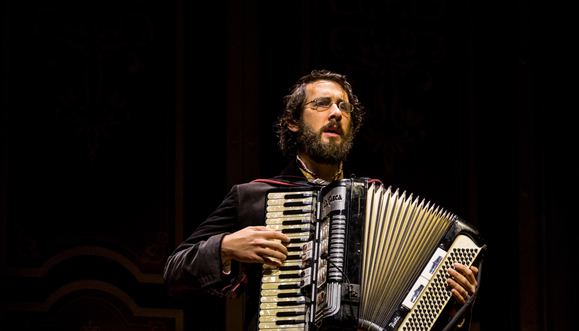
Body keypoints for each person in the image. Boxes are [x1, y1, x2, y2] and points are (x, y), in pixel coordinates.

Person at [163, 69, 480, 330]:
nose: (336, 113)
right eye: (322, 104)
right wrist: (225, 246)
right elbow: (175, 273)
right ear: (293, 122)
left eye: (343, 108)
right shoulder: (255, 196)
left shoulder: (374, 197)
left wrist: (451, 304)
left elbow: (412, 315)